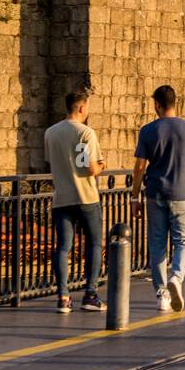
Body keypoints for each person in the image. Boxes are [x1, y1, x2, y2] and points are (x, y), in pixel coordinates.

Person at [132, 85, 185, 313]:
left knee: (157, 244)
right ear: (176, 103)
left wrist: (134, 197)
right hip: (182, 193)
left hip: (155, 193)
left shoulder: (147, 131)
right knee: (183, 241)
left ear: (157, 105)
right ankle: (177, 277)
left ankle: (162, 295)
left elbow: (139, 167)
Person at [44, 91, 107, 314]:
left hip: (61, 197)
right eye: (87, 107)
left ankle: (63, 297)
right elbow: (88, 167)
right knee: (94, 244)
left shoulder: (50, 133)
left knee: (63, 247)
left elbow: (51, 161)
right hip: (86, 197)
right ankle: (90, 294)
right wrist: (101, 166)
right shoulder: (85, 133)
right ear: (81, 108)